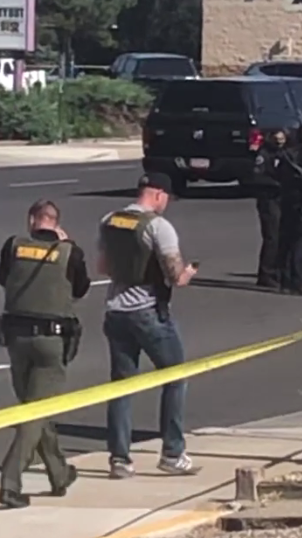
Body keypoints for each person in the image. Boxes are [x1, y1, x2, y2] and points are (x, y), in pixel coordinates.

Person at [96, 172, 200, 479]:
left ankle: (119, 458)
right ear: (157, 194)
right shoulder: (158, 226)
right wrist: (190, 272)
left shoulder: (110, 220)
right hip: (149, 312)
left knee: (121, 385)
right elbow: (176, 277)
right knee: (175, 376)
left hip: (115, 311)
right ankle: (172, 452)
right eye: (166, 197)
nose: (167, 203)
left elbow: (102, 266)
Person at [0, 199, 91, 509]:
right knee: (34, 414)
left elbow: (2, 278)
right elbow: (80, 289)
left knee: (34, 410)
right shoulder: (70, 252)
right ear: (55, 222)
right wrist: (68, 245)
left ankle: (59, 473)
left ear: (31, 220)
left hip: (16, 339)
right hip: (51, 343)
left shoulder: (13, 246)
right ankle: (10, 482)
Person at [278, 126, 302, 295]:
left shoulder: (287, 154)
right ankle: (298, 281)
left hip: (286, 200)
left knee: (286, 241)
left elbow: (278, 174)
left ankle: (285, 280)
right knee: (300, 242)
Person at [252, 130, 287, 289]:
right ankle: (266, 273)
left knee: (282, 236)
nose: (280, 142)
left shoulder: (286, 154)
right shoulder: (264, 154)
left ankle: (279, 272)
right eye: (277, 139)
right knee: (271, 237)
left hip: (282, 199)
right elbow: (258, 176)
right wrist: (277, 184)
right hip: (268, 199)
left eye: (282, 139)